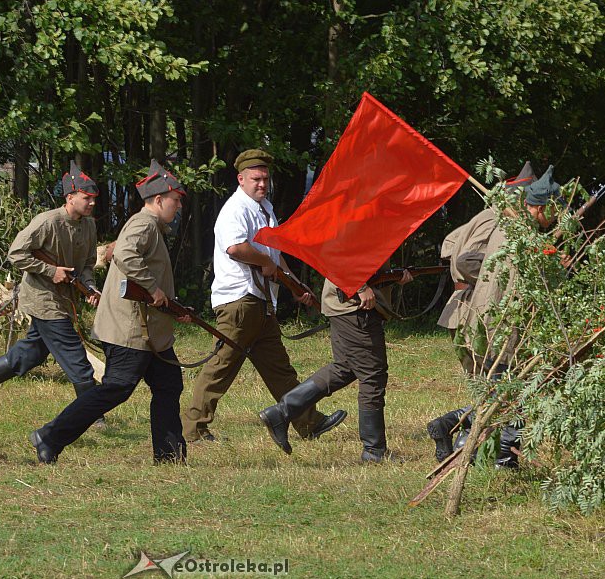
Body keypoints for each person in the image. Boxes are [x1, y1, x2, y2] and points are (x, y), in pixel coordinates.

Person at [29, 160, 189, 465]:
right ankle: (50, 435)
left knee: (169, 385)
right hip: (130, 330)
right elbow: (125, 254)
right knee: (116, 389)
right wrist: (154, 290)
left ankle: (170, 456)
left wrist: (170, 306)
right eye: (175, 199)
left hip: (150, 331)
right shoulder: (144, 224)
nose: (178, 206)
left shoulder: (152, 226)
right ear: (158, 200)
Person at [181, 148, 346, 443]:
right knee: (220, 368)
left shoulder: (265, 209)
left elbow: (274, 255)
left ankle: (309, 423)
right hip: (240, 302)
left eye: (265, 179)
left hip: (259, 302)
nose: (262, 184)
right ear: (241, 179)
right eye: (256, 179)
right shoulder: (236, 209)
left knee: (279, 369)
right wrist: (267, 264)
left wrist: (295, 286)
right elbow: (236, 248)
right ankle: (193, 430)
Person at [426, 166, 562, 469]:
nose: (556, 219)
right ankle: (465, 442)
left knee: (505, 392)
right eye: (554, 211)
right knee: (507, 395)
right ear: (539, 207)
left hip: (490, 323)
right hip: (499, 327)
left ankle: (499, 456)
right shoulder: (519, 234)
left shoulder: (514, 229)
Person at [0, 162, 102, 418]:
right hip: (42, 299)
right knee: (74, 356)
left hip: (65, 299)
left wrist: (90, 287)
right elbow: (16, 254)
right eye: (86, 198)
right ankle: (92, 413)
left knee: (30, 354)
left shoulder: (89, 226)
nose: (91, 203)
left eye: (93, 199)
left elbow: (88, 264)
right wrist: (51, 271)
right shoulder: (47, 221)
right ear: (70, 197)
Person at [259, 270, 412, 462]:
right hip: (354, 305)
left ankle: (281, 412)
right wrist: (360, 286)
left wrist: (393, 275)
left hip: (348, 304)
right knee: (372, 376)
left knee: (344, 369)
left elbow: (362, 261)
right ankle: (374, 450)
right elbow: (339, 258)